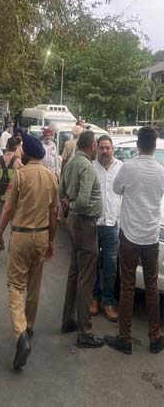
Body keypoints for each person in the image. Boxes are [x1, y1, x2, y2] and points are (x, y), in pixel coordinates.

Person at [0, 132, 58, 370]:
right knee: (34, 283)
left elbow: (8, 209)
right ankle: (29, 325)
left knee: (15, 285)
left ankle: (20, 334)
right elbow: (54, 213)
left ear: (27, 154)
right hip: (41, 235)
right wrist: (51, 241)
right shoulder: (52, 177)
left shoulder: (20, 176)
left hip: (20, 236)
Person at [105, 127, 164, 355]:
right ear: (154, 145)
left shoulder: (128, 167)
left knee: (127, 285)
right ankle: (155, 337)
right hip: (151, 237)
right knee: (151, 286)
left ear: (138, 144)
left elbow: (116, 188)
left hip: (129, 235)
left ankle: (125, 338)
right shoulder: (161, 171)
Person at [59, 130, 104, 349]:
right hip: (85, 224)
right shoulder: (87, 166)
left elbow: (60, 190)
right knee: (86, 278)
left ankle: (68, 320)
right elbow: (84, 201)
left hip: (73, 223)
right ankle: (85, 333)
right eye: (96, 146)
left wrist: (66, 203)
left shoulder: (71, 163)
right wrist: (73, 206)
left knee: (75, 272)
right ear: (92, 146)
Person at [91, 135, 122, 322]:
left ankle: (108, 301)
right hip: (93, 224)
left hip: (112, 225)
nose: (104, 151)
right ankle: (95, 297)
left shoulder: (121, 168)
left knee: (111, 265)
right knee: (93, 263)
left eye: (107, 148)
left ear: (112, 149)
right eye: (101, 147)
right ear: (96, 149)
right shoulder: (91, 167)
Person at [0, 137, 24, 264]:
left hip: (1, 199)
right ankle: (13, 254)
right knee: (15, 229)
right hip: (14, 202)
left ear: (7, 146)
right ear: (16, 148)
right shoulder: (18, 163)